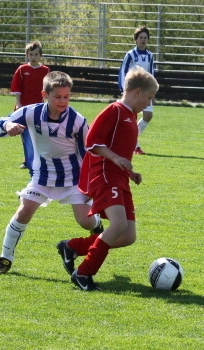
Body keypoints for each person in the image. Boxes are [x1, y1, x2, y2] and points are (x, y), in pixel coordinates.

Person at [0, 71, 103, 275]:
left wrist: (91, 183)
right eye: (57, 96)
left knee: (84, 221)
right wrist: (9, 125)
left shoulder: (77, 120)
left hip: (73, 178)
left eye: (66, 97)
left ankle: (97, 226)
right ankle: (5, 258)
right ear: (45, 94)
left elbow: (88, 153)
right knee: (24, 211)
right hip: (42, 176)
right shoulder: (30, 112)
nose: (63, 101)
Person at [57, 66, 159, 291]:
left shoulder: (131, 116)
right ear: (138, 92)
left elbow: (121, 149)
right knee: (118, 224)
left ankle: (72, 247)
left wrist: (130, 171)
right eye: (150, 98)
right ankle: (83, 273)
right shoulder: (113, 110)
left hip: (120, 176)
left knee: (128, 235)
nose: (150, 104)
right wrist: (115, 158)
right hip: (104, 174)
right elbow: (92, 141)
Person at [10, 40, 51, 168]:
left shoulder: (45, 70)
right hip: (24, 108)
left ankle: (38, 159)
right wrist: (18, 104)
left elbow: (48, 89)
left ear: (40, 56)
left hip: (39, 108)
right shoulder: (22, 69)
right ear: (27, 55)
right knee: (26, 134)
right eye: (31, 54)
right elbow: (17, 88)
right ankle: (27, 160)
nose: (33, 57)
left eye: (36, 54)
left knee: (39, 135)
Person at [119, 26, 155, 155]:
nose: (143, 40)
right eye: (141, 37)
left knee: (148, 115)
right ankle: (135, 145)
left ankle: (132, 139)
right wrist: (124, 88)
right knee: (132, 117)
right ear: (136, 40)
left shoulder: (150, 56)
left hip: (146, 90)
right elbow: (123, 71)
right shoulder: (130, 54)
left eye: (145, 38)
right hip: (133, 90)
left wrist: (153, 91)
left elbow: (151, 73)